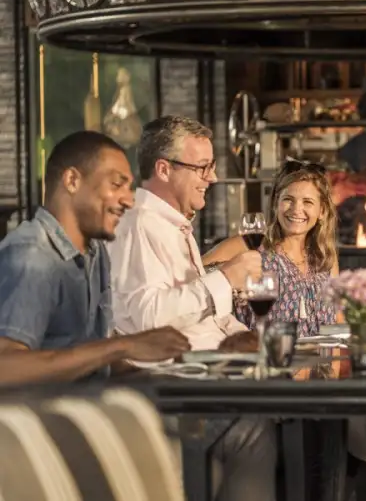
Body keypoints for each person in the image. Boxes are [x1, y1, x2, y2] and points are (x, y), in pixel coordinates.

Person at [107, 115, 277, 501]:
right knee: (260, 423)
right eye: (202, 167)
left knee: (302, 407)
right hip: (173, 384)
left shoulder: (173, 225)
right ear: (164, 169)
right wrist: (226, 277)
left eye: (211, 166)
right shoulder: (140, 225)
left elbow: (206, 316)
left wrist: (253, 339)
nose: (212, 178)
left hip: (205, 374)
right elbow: (148, 317)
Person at [0, 131, 190, 386]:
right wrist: (122, 346)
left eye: (129, 188)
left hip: (92, 402)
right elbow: (5, 367)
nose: (129, 200)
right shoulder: (32, 256)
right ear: (72, 181)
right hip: (47, 411)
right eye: (116, 185)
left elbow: (91, 357)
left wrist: (168, 375)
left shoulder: (95, 251)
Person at [204, 159, 340, 336]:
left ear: (322, 211)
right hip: (263, 353)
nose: (296, 209)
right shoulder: (249, 246)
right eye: (288, 200)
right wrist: (227, 274)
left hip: (320, 354)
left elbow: (336, 323)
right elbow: (194, 276)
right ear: (276, 204)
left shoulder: (325, 257)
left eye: (307, 202)